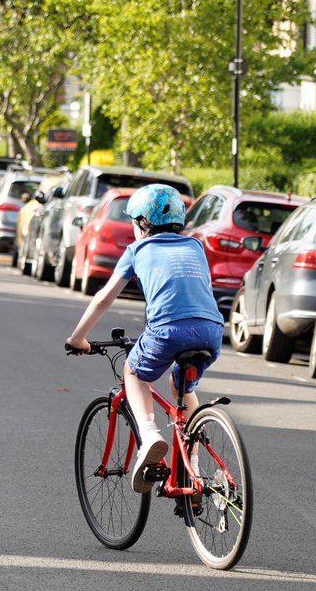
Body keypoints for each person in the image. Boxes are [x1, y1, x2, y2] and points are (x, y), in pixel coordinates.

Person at [65, 184, 224, 493]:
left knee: (133, 372)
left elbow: (103, 299)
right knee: (180, 385)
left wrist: (77, 338)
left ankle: (150, 435)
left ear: (141, 223)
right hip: (211, 331)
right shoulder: (195, 247)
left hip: (167, 330)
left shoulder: (136, 251)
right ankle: (193, 465)